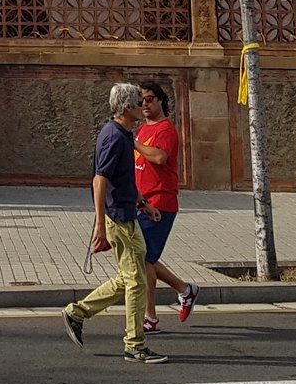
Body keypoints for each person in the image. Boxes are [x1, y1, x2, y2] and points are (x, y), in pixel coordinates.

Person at [61, 82, 166, 364]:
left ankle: (77, 312)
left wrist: (144, 204)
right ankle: (134, 345)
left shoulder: (123, 134)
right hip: (118, 218)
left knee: (129, 278)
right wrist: (99, 224)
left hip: (128, 214)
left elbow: (124, 180)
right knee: (136, 282)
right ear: (127, 108)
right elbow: (100, 179)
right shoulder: (114, 137)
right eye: (139, 102)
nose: (144, 107)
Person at [134, 79, 197, 332]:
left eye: (149, 99)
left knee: (145, 259)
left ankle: (150, 317)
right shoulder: (141, 129)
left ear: (161, 101)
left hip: (160, 202)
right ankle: (185, 289)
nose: (145, 105)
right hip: (142, 202)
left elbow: (160, 157)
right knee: (142, 257)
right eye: (141, 101)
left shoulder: (165, 129)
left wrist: (133, 142)